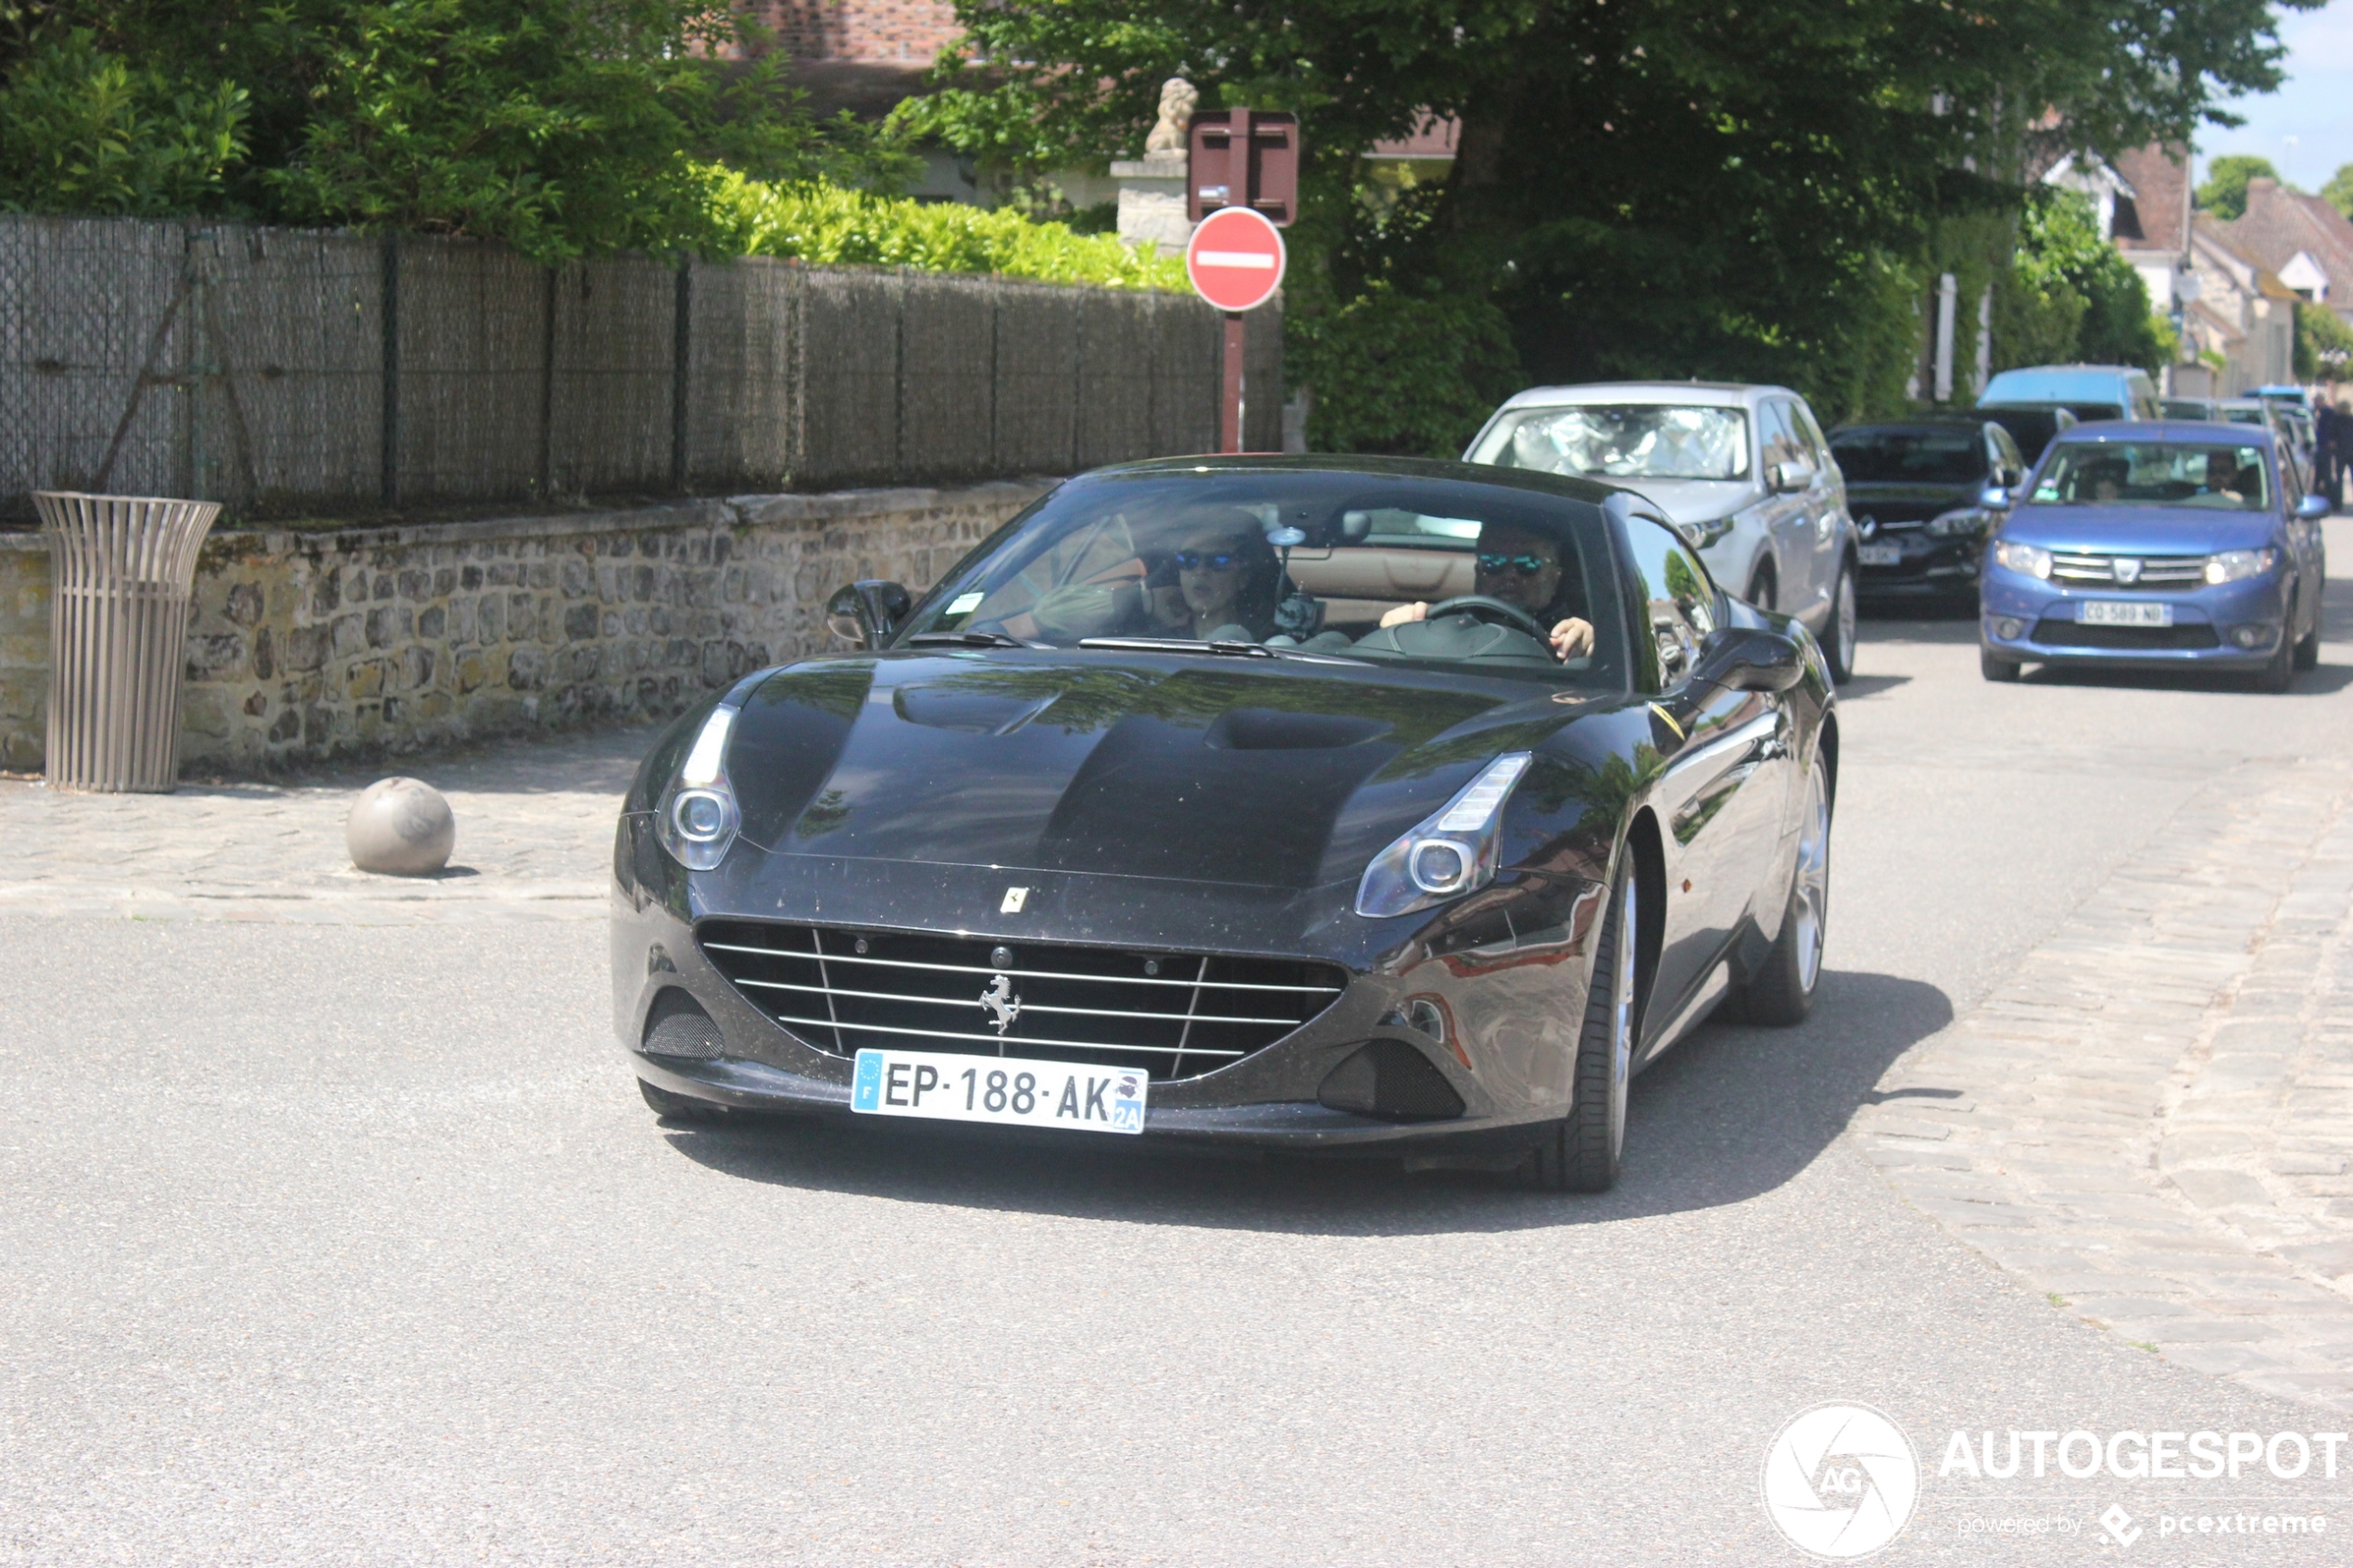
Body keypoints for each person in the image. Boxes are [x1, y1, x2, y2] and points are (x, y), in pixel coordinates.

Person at [1378, 523, 1597, 661]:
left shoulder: (1573, 633)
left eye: (1528, 563)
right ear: (1478, 572)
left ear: (1554, 576)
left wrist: (1588, 647)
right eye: (1494, 562)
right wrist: (1400, 634)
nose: (1510, 575)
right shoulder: (1442, 624)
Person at [1165, 518, 1279, 640]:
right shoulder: (1158, 644)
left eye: (1218, 561)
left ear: (1243, 578)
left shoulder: (1272, 644)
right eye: (1188, 560)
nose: (1200, 571)